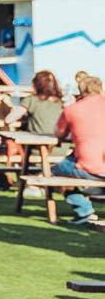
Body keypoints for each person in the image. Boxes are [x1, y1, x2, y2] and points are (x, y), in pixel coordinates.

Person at [51, 76, 105, 224]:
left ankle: (84, 209)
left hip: (90, 165)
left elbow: (59, 133)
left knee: (52, 172)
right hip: (98, 162)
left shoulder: (72, 109)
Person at [5, 71, 63, 135]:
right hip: (56, 138)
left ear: (36, 84)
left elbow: (9, 120)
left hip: (37, 138)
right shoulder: (60, 101)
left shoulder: (32, 100)